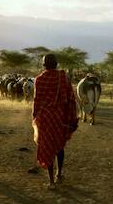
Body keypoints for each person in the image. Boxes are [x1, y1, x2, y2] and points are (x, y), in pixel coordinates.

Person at [32, 54, 78, 189]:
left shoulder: (39, 80)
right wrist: (72, 117)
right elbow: (71, 98)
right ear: (56, 64)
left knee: (47, 147)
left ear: (43, 65)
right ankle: (59, 174)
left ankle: (51, 181)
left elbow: (36, 101)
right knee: (59, 145)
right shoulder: (63, 77)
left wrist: (35, 117)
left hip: (45, 119)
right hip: (59, 118)